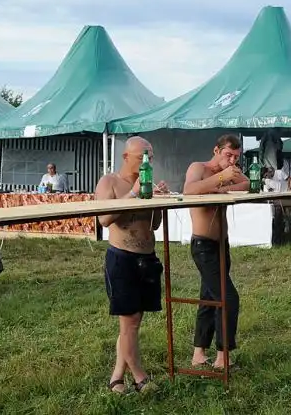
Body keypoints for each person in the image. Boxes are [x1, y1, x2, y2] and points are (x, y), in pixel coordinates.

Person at [95, 136, 169, 394]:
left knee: (132, 323)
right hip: (122, 257)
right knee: (130, 322)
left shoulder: (147, 182)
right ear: (126, 157)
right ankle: (140, 378)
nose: (147, 161)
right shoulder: (110, 182)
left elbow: (154, 224)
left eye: (150, 157)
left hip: (147, 258)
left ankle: (117, 377)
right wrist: (134, 193)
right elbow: (104, 219)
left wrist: (159, 200)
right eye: (142, 157)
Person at [183, 134, 249, 370]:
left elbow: (247, 183)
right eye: (228, 155)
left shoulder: (230, 172)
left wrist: (222, 189)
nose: (231, 161)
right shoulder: (199, 168)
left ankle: (198, 353)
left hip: (222, 244)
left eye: (236, 157)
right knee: (228, 298)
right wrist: (221, 179)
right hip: (204, 245)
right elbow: (189, 190)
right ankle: (223, 357)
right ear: (216, 150)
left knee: (209, 299)